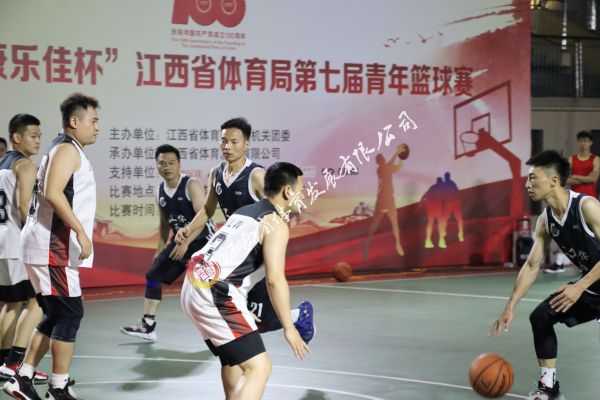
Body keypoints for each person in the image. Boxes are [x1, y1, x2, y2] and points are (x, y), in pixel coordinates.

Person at [174, 118, 314, 397]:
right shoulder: (274, 223)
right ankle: (296, 317)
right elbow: (274, 280)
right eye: (301, 191)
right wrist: (289, 329)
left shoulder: (241, 213)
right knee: (260, 368)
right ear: (288, 191)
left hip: (193, 283)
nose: (303, 197)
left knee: (234, 358)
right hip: (216, 291)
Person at [3, 93, 99, 400]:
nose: (97, 127)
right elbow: (53, 192)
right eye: (93, 120)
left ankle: (23, 377)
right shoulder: (66, 149)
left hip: (47, 245)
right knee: (70, 314)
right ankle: (58, 387)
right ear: (75, 121)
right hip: (51, 246)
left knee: (56, 313)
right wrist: (81, 231)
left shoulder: (66, 149)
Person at [489, 150, 600, 400]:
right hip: (594, 285)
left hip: (588, 283)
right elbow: (531, 265)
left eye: (532, 178)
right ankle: (549, 388)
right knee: (541, 317)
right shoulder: (545, 220)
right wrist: (510, 306)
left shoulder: (587, 206)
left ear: (553, 181)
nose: (527, 185)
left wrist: (579, 286)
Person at [119, 144, 215, 341]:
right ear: (157, 165)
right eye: (162, 163)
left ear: (179, 164)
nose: (167, 167)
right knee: (153, 275)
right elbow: (164, 223)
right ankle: (147, 326)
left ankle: (223, 326)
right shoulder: (159, 191)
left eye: (171, 163)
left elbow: (203, 218)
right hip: (180, 242)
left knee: (205, 289)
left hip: (204, 242)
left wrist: (186, 243)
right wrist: (160, 249)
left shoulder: (191, 185)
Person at [0, 115, 47, 383]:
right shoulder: (25, 164)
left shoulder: (1, 164)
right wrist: (38, 237)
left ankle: (3, 361)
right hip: (17, 242)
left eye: (39, 135)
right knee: (37, 301)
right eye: (33, 135)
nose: (38, 140)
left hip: (1, 241)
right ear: (17, 137)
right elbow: (23, 205)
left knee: (12, 302)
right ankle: (15, 362)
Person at [363, 144, 407, 259]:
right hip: (381, 200)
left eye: (383, 158)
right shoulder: (381, 169)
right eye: (381, 159)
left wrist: (402, 158)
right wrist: (397, 153)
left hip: (390, 199)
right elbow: (390, 164)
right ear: (379, 162)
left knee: (395, 223)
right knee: (375, 224)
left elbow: (399, 167)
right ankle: (367, 246)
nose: (383, 159)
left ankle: (398, 245)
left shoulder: (387, 168)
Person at [422, 177, 445, 249]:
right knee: (440, 223)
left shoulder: (432, 187)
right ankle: (441, 241)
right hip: (436, 207)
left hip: (431, 208)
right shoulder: (440, 188)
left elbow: (424, 196)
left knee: (431, 223)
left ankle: (428, 241)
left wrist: (424, 204)